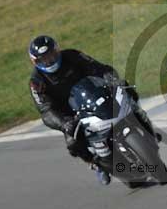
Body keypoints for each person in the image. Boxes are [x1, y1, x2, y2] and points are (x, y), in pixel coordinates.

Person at [28, 35, 156, 185]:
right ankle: (94, 163)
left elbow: (99, 68)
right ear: (36, 62)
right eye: (44, 59)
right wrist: (63, 123)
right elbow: (45, 109)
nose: (49, 61)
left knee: (128, 94)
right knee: (72, 142)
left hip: (95, 95)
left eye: (51, 55)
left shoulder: (73, 56)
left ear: (57, 51)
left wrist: (113, 80)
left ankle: (146, 129)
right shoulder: (36, 82)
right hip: (70, 113)